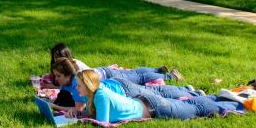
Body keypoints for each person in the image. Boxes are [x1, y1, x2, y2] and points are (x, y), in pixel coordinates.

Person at [67, 69, 242, 123]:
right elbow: (95, 115)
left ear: (89, 85)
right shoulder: (94, 95)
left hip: (154, 107)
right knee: (190, 104)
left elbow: (103, 123)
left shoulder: (100, 96)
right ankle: (216, 97)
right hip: (147, 102)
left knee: (194, 109)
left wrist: (80, 119)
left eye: (79, 86)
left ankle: (234, 104)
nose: (77, 89)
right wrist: (77, 114)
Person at [48, 58, 203, 112]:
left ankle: (186, 89)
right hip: (117, 85)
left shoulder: (77, 84)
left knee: (155, 93)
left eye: (59, 76)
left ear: (68, 74)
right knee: (152, 90)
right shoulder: (69, 84)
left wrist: (54, 107)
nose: (57, 79)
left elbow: (79, 109)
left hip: (122, 90)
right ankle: (186, 89)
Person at [47, 43, 182, 86]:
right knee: (134, 73)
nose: (56, 61)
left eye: (58, 57)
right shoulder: (68, 67)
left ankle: (171, 76)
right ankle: (158, 69)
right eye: (55, 58)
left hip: (107, 76)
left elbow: (75, 86)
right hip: (103, 72)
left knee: (138, 77)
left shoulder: (73, 67)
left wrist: (53, 87)